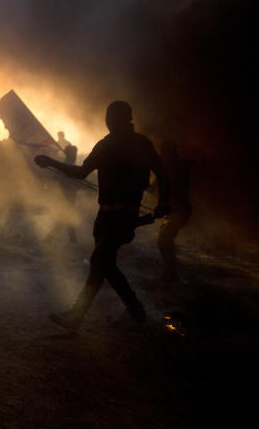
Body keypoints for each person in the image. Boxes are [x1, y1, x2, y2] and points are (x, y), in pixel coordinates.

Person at [35, 101, 169, 330]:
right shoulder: (137, 143)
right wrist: (163, 202)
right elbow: (162, 173)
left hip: (117, 216)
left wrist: (49, 162)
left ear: (117, 119)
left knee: (100, 261)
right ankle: (131, 310)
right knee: (103, 265)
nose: (108, 121)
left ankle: (85, 313)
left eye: (111, 117)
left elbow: (79, 173)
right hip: (113, 215)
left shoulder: (112, 145)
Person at [156, 140, 192, 282]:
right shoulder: (169, 168)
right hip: (172, 211)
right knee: (163, 240)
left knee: (165, 239)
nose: (162, 155)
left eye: (164, 152)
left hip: (179, 211)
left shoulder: (176, 168)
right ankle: (169, 272)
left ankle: (171, 273)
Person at [43, 144, 79, 244]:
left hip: (68, 196)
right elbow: (57, 180)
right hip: (66, 196)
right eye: (74, 154)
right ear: (70, 155)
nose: (75, 156)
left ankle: (72, 240)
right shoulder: (67, 167)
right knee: (66, 219)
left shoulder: (63, 166)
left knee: (68, 218)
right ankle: (48, 238)